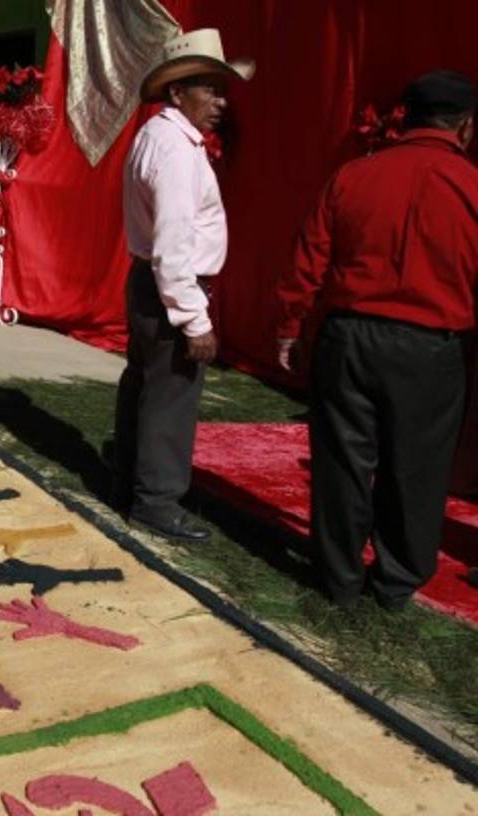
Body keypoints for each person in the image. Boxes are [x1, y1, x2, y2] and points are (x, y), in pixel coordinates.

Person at [274, 71, 478, 610]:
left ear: (405, 118)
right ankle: (395, 581)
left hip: (350, 337)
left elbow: (308, 258)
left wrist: (290, 326)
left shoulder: (354, 175)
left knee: (342, 460)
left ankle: (339, 578)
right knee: (418, 466)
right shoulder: (470, 186)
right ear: (465, 126)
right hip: (430, 346)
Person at [112, 29, 255, 542]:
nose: (221, 103)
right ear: (178, 92)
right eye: (210, 91)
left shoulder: (159, 136)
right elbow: (173, 246)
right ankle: (157, 501)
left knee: (146, 385)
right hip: (171, 286)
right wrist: (195, 319)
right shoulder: (174, 150)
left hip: (151, 282)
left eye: (222, 92)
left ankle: (131, 480)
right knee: (171, 397)